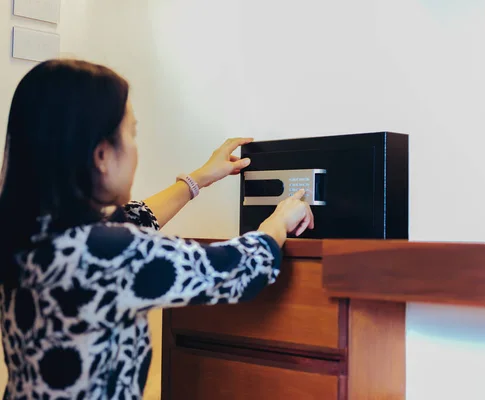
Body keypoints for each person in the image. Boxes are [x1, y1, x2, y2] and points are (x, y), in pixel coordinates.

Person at [0, 59, 314, 400]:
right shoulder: (109, 253)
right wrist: (279, 221)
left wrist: (198, 180)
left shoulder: (29, 238)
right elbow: (238, 269)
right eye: (131, 134)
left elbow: (132, 220)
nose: (135, 148)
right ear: (102, 155)